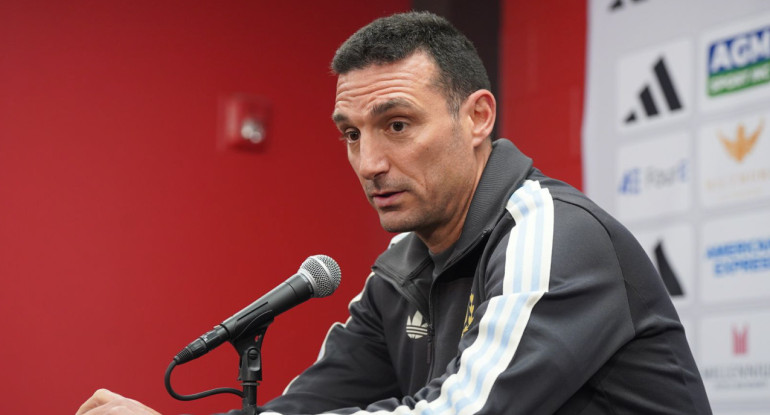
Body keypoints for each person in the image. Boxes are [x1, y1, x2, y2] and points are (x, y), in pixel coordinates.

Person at [77, 11, 712, 415]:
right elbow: (305, 408)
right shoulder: (402, 267)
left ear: (477, 118)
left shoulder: (553, 234)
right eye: (351, 134)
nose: (370, 161)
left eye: (398, 124)